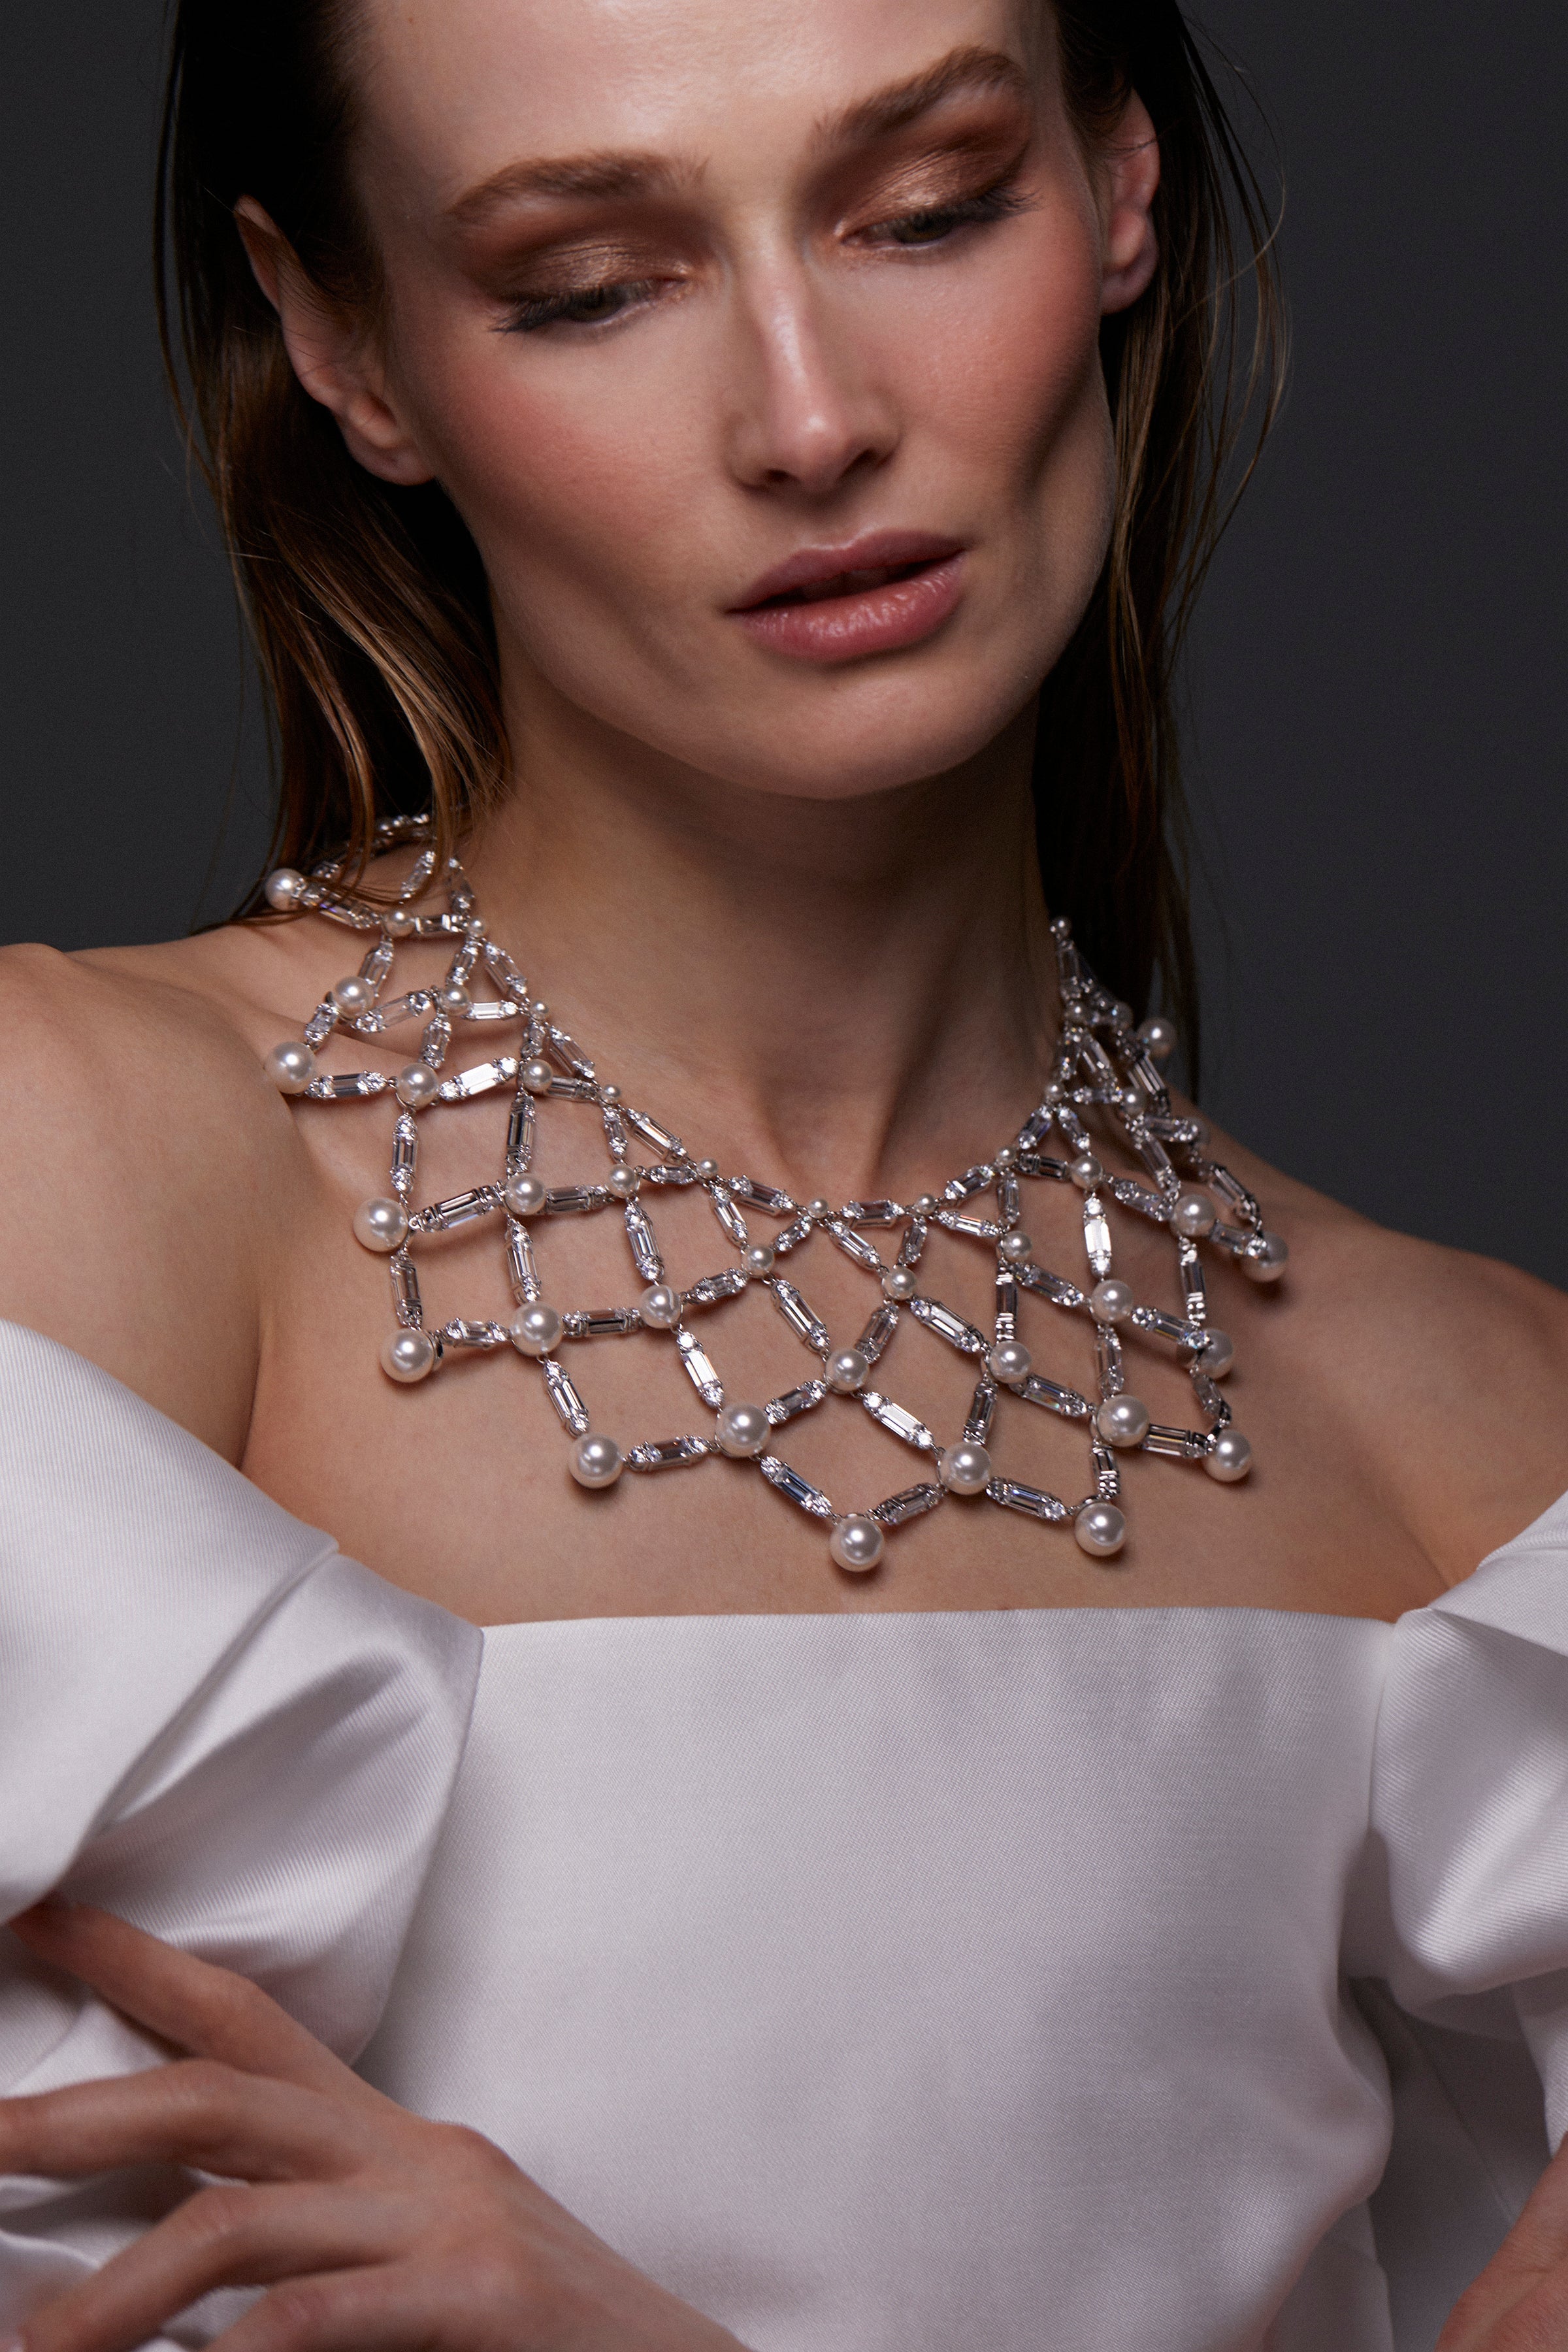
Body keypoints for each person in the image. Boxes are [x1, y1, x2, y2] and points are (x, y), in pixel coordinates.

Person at [2, 0, 1567, 2345]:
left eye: (928, 211)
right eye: (585, 287)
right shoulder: (81, 1170)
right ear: (350, 346)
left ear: (1120, 183)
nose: (811, 419)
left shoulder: (1486, 1453)